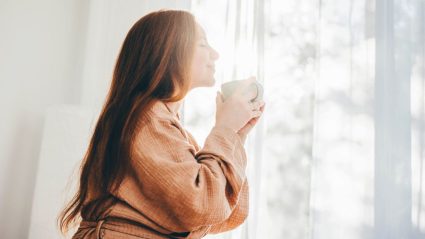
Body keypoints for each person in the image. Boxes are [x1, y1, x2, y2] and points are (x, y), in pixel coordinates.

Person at [58, 9, 265, 239]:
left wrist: (236, 136)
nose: (215, 54)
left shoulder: (166, 127)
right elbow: (199, 205)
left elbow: (220, 215)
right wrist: (225, 130)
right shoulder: (147, 119)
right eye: (203, 44)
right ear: (170, 50)